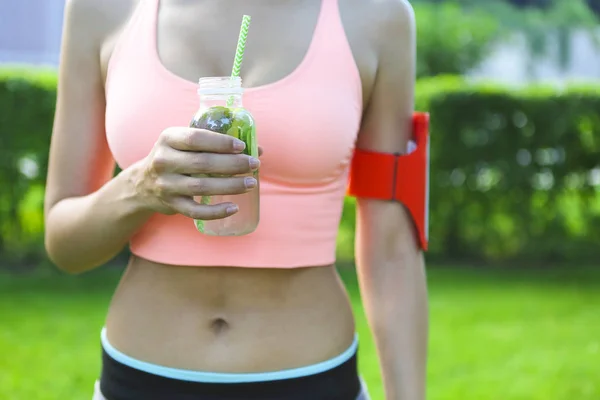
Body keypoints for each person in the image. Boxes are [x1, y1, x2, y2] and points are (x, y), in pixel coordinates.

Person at [44, 0, 428, 398]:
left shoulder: (376, 15)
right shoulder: (102, 8)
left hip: (312, 376)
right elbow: (65, 246)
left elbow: (392, 250)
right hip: (140, 376)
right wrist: (138, 187)